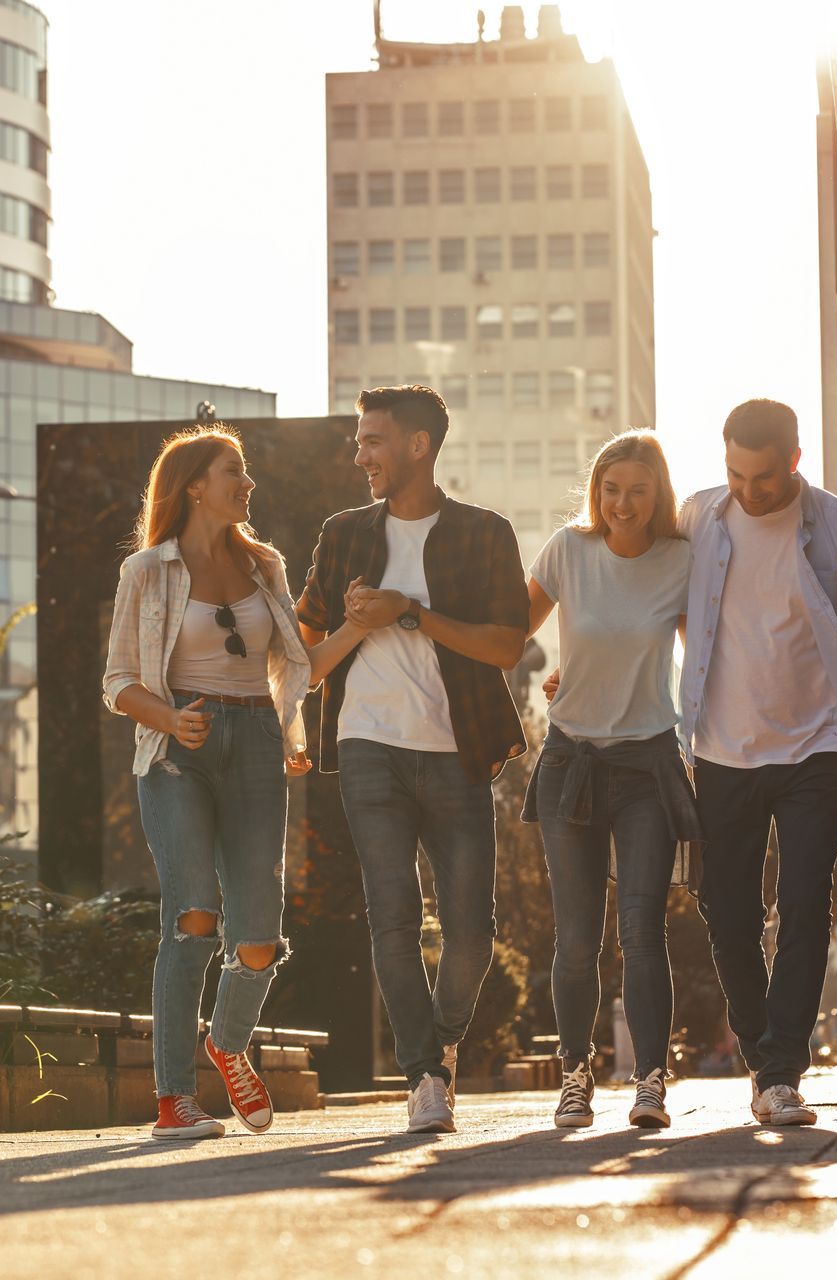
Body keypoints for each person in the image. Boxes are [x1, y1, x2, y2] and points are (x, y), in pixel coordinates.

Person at [103, 425, 370, 1140]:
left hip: (256, 741)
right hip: (176, 750)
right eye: (234, 471)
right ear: (194, 485)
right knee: (193, 917)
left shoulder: (263, 567)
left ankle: (226, 1043)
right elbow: (118, 683)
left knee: (257, 939)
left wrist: (354, 627)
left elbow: (297, 664)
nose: (246, 484)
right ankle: (173, 1101)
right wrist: (171, 716)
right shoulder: (147, 572)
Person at [295, 385, 528, 1134]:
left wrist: (410, 612)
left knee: (471, 932)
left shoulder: (484, 533)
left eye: (373, 442)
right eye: (359, 442)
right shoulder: (341, 535)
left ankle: (443, 1041)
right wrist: (360, 625)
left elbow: (505, 646)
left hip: (458, 749)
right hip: (368, 746)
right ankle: (425, 1075)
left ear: (418, 446)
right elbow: (302, 652)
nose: (360, 455)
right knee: (393, 918)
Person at [683, 399, 837, 1127]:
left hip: (818, 745)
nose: (747, 491)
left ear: (793, 458)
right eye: (734, 474)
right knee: (725, 911)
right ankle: (764, 1052)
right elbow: (634, 585)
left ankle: (781, 1067)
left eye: (761, 477)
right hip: (720, 749)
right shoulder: (698, 518)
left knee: (805, 901)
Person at [521, 429, 699, 1129]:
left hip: (647, 764)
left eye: (638, 490)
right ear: (597, 491)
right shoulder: (569, 551)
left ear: (658, 497)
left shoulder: (680, 562)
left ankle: (650, 1081)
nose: (622, 503)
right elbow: (511, 636)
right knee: (575, 938)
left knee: (641, 928)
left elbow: (706, 655)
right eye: (611, 489)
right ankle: (574, 1075)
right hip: (572, 760)